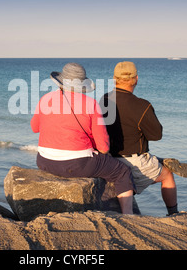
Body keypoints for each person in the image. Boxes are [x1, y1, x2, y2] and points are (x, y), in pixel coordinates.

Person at [30, 62, 135, 214]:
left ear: (61, 81)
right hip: (76, 165)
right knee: (122, 171)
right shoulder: (91, 104)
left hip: (44, 161)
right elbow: (104, 147)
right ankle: (128, 215)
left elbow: (35, 128)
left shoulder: (45, 99)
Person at [101, 61, 187, 216]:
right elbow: (156, 135)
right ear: (136, 79)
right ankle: (173, 214)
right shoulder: (142, 105)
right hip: (133, 161)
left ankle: (157, 160)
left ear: (114, 79)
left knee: (149, 158)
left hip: (110, 158)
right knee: (167, 175)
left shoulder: (104, 100)